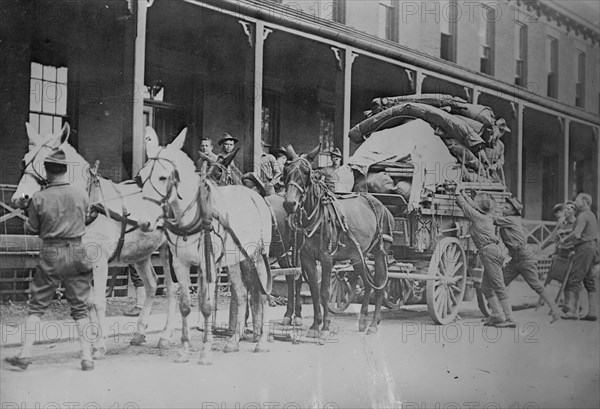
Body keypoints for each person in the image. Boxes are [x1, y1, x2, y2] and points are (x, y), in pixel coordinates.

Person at [5, 149, 94, 371]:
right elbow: (86, 217)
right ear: (65, 169)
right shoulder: (81, 194)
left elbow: (33, 228)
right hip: (76, 251)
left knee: (36, 307)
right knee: (80, 308)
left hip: (51, 253)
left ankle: (25, 354)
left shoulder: (40, 197)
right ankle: (87, 358)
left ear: (46, 171)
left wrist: (29, 216)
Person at [494, 198, 562, 323]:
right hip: (516, 258)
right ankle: (497, 313)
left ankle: (555, 310)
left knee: (536, 285)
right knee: (500, 284)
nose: (503, 209)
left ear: (513, 212)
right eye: (503, 207)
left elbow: (492, 220)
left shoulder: (511, 219)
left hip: (524, 257)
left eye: (506, 208)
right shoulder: (508, 220)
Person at [455, 189, 516, 327]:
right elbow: (471, 205)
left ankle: (510, 318)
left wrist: (458, 193)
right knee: (486, 287)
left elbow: (465, 207)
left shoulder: (478, 217)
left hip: (489, 252)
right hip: (492, 251)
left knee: (499, 286)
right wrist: (464, 194)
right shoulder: (486, 216)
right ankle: (497, 315)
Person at [560, 193, 599, 321]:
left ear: (584, 202)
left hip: (583, 249)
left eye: (577, 201)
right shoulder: (591, 215)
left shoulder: (582, 216)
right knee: (590, 281)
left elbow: (577, 234)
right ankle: (592, 312)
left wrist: (564, 240)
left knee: (575, 278)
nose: (575, 203)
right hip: (593, 249)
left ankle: (573, 311)